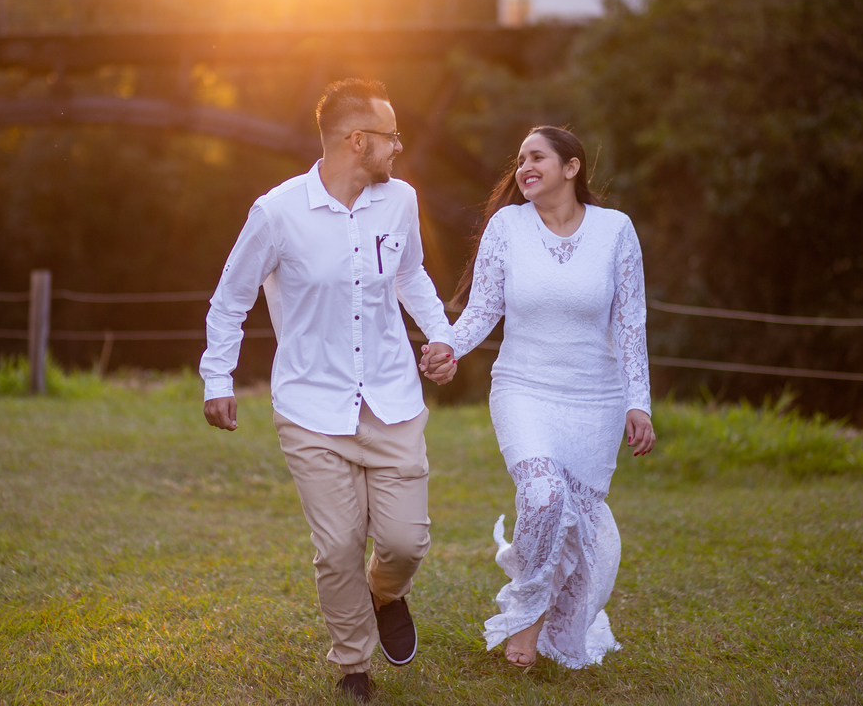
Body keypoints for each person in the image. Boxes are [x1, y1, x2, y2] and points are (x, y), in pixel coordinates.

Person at [200, 78, 456, 702]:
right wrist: (217, 377)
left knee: (403, 541)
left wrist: (442, 335)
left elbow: (412, 272)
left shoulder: (399, 202)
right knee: (338, 545)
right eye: (391, 136)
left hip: (393, 401)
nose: (400, 147)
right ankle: (353, 666)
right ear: (357, 140)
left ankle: (385, 592)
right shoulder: (277, 212)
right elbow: (230, 300)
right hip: (311, 407)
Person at [420, 125, 656, 670]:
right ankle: (524, 624)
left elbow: (631, 325)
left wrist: (636, 402)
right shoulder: (508, 226)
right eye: (520, 159)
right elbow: (483, 308)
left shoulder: (615, 230)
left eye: (537, 157)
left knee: (574, 518)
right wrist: (447, 347)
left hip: (596, 398)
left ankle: (558, 622)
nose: (524, 167)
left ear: (572, 168)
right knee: (545, 496)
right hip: (523, 387)